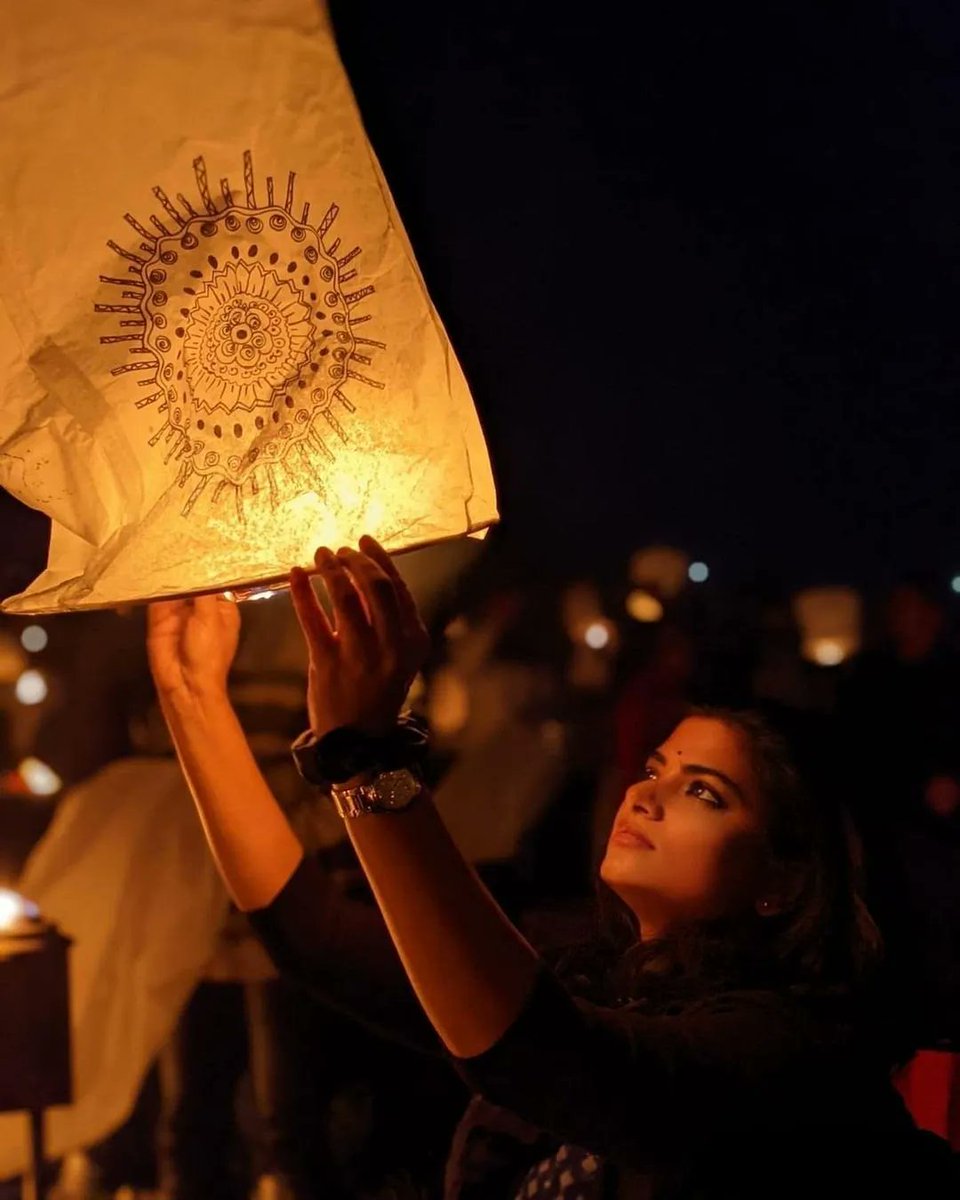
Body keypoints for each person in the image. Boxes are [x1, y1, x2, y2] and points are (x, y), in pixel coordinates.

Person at [147, 537, 958, 1199]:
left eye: (704, 792)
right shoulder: (595, 976)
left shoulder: (792, 1053)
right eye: (655, 766)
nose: (647, 794)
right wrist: (192, 695)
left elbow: (558, 1062)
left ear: (785, 879)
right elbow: (312, 935)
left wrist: (366, 759)